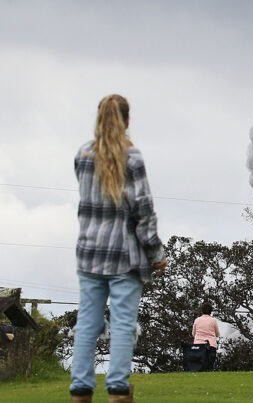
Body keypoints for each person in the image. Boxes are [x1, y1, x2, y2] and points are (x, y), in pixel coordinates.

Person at [70, 95, 166, 403]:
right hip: (124, 256)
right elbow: (143, 212)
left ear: (98, 118)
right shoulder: (132, 157)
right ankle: (118, 391)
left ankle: (81, 390)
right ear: (126, 121)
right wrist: (156, 255)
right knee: (124, 324)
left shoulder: (82, 155)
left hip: (89, 253)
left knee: (87, 322)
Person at [191, 301, 219, 371]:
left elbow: (193, 333)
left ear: (202, 311)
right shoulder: (213, 320)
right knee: (210, 366)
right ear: (211, 311)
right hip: (211, 345)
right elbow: (217, 333)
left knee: (199, 366)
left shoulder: (197, 320)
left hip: (198, 345)